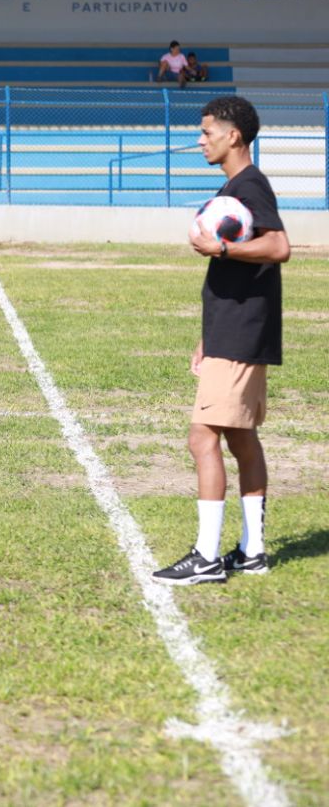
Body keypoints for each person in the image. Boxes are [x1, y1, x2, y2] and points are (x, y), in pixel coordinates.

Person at [153, 96, 291, 586]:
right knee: (239, 436)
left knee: (201, 438)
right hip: (233, 333)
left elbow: (279, 246)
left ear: (234, 135)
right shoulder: (236, 188)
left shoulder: (249, 185)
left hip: (242, 335)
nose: (200, 138)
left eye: (207, 130)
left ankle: (206, 558)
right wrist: (208, 336)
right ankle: (252, 552)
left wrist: (223, 247)